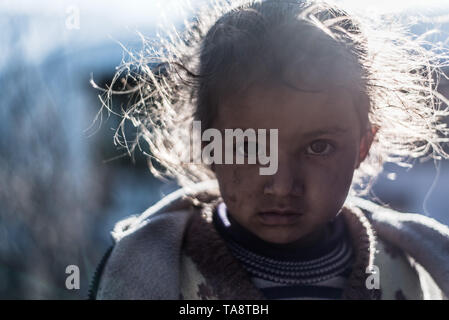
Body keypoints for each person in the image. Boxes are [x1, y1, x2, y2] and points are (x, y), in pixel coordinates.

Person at [89, 0, 449, 300]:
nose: (280, 184)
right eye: (248, 146)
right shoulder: (156, 270)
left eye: (318, 147)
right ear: (207, 144)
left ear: (361, 146)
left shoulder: (410, 269)